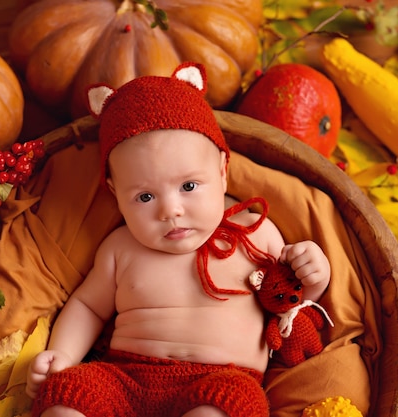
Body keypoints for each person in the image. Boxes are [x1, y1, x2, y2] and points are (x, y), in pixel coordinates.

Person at [26, 62, 331, 417]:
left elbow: (291, 303)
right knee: (68, 396)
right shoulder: (121, 248)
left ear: (222, 171)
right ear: (115, 193)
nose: (170, 210)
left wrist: (315, 273)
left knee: (227, 407)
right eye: (144, 197)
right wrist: (62, 357)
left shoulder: (255, 232)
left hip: (220, 382)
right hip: (123, 379)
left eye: (188, 186)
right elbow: (88, 307)